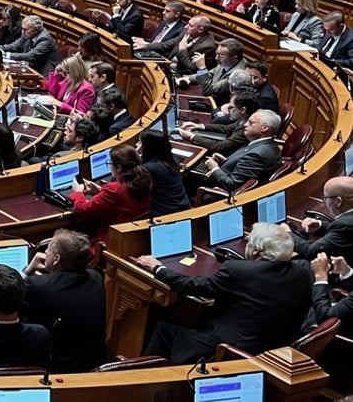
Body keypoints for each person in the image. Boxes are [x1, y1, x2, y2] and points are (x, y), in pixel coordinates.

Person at [137, 223, 312, 363]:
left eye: (248, 242)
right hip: (274, 349)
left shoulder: (239, 271)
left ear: (256, 251)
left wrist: (158, 268)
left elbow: (193, 285)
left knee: (164, 328)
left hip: (231, 350)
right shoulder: (302, 272)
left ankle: (141, 381)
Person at [21, 230, 109, 373]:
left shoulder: (39, 286)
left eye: (47, 251)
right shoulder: (96, 277)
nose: (45, 254)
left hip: (58, 369)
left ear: (56, 259)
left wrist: (28, 270)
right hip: (95, 364)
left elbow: (7, 297)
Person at [69, 146, 152, 252]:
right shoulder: (144, 182)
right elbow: (123, 200)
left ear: (118, 168)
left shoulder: (114, 189)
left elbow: (82, 210)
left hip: (109, 245)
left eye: (110, 164)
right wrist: (100, 191)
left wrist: (78, 192)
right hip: (133, 243)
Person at [203, 110, 283, 192]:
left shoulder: (257, 155)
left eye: (251, 122)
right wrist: (226, 161)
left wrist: (214, 169)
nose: (245, 124)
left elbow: (232, 185)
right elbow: (244, 167)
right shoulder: (265, 144)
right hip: (223, 175)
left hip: (213, 191)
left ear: (265, 128)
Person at [290, 177, 353, 259]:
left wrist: (287, 233)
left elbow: (310, 252)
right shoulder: (346, 224)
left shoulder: (344, 225)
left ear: (338, 201)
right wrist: (320, 225)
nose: (324, 202)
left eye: (325, 198)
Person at [139, 130, 191, 215]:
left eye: (140, 143)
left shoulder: (149, 168)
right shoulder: (171, 161)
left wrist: (135, 154)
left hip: (167, 214)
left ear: (147, 147)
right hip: (183, 207)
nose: (137, 145)